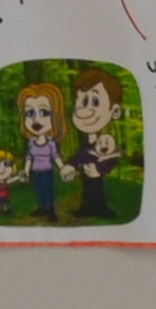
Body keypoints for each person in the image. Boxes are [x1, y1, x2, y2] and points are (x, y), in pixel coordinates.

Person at [65, 76, 123, 221]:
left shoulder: (106, 139)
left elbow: (113, 157)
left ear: (114, 111)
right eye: (83, 102)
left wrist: (99, 170)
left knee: (98, 190)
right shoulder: (86, 140)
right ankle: (87, 209)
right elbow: (80, 154)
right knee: (87, 191)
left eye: (95, 102)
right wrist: (71, 165)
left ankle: (100, 209)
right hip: (85, 171)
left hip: (97, 172)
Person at [14, 82, 65, 220]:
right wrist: (26, 171)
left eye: (44, 113)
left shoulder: (50, 143)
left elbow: (55, 156)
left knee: (48, 189)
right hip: (36, 171)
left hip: (47, 171)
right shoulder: (31, 143)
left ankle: (51, 209)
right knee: (39, 189)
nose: (36, 119)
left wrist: (62, 168)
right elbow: (29, 158)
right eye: (30, 113)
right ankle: (42, 207)